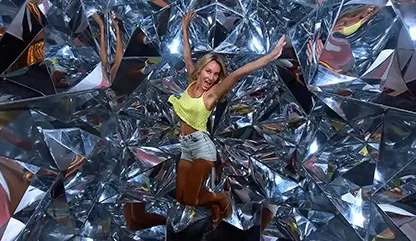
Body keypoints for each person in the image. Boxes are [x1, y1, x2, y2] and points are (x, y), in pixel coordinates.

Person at [169, 9, 286, 229]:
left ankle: (222, 199)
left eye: (215, 74)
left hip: (202, 147)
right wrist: (184, 28)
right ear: (201, 70)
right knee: (181, 198)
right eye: (209, 72)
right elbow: (186, 56)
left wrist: (269, 57)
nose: (211, 78)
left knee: (192, 199)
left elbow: (237, 74)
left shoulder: (211, 94)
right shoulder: (192, 82)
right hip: (185, 146)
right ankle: (215, 204)